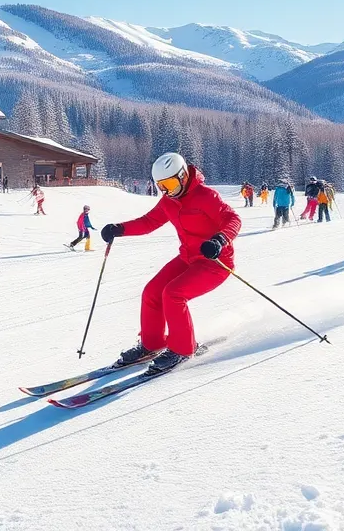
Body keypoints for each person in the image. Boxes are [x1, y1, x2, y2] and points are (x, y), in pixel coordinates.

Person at [100, 153, 241, 373]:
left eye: (170, 184)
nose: (166, 191)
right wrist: (119, 229)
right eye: (161, 186)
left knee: (173, 294)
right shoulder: (169, 201)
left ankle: (183, 349)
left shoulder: (206, 196)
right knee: (152, 292)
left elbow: (233, 219)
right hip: (187, 258)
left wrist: (220, 240)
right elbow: (149, 222)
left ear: (183, 176)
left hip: (215, 263)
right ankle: (152, 344)